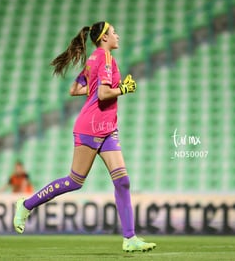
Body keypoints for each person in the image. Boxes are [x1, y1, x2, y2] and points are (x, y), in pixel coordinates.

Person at [13, 21, 156, 252]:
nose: (117, 35)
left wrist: (104, 88)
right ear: (104, 38)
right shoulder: (106, 58)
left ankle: (129, 238)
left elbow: (75, 89)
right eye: (114, 32)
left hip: (108, 128)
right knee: (74, 181)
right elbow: (102, 93)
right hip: (91, 127)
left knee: (122, 181)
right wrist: (124, 89)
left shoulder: (94, 59)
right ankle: (26, 204)